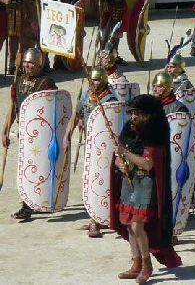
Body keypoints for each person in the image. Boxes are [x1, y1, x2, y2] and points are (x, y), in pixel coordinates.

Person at [111, 94, 182, 283]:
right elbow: (118, 156)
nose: (133, 117)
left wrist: (125, 153)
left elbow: (148, 164)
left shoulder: (155, 134)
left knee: (137, 225)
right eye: (132, 113)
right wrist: (120, 163)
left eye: (137, 113)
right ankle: (136, 264)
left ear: (147, 115)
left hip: (147, 184)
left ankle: (146, 265)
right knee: (128, 224)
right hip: (130, 181)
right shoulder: (129, 130)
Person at [2, 48, 57, 220]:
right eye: (26, 63)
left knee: (41, 169)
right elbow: (13, 108)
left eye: (31, 63)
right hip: (24, 133)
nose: (27, 66)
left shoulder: (46, 83)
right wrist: (4, 130)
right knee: (27, 170)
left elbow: (55, 108)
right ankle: (27, 205)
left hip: (42, 135)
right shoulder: (17, 82)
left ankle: (38, 202)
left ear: (39, 64)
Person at [63, 67, 117, 237]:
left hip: (105, 149)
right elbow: (76, 114)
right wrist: (67, 135)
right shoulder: (87, 95)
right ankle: (95, 216)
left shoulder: (110, 100)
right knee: (89, 181)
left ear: (103, 81)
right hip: (90, 145)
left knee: (102, 183)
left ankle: (97, 220)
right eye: (91, 80)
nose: (93, 83)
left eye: (96, 80)